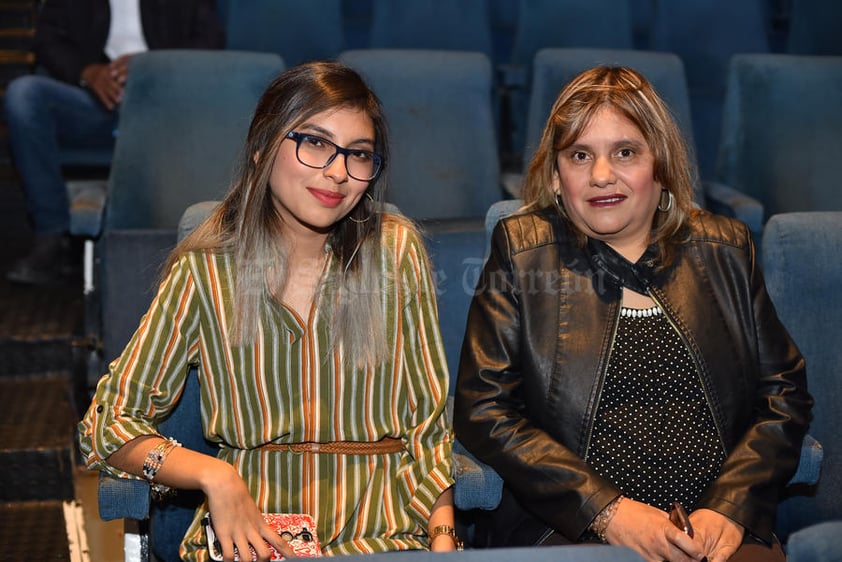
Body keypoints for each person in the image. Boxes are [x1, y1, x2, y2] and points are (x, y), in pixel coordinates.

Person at [79, 61, 457, 560]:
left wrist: (444, 538)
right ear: (262, 149)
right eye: (316, 143)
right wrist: (213, 473)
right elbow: (107, 424)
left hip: (383, 534)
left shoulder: (395, 252)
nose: (338, 172)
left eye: (359, 155)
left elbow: (426, 428)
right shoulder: (205, 273)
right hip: (252, 538)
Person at [454, 66, 812, 562]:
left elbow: (784, 395)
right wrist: (607, 512)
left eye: (625, 152)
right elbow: (484, 410)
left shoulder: (726, 249)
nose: (602, 175)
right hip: (570, 531)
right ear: (557, 178)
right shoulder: (521, 252)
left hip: (717, 533)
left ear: (660, 166)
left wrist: (729, 508)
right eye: (580, 155)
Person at [5, 0, 225, 285]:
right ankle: (51, 236)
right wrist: (88, 73)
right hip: (95, 102)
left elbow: (211, 38)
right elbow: (47, 39)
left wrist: (153, 67)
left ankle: (189, 248)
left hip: (164, 100)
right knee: (23, 96)